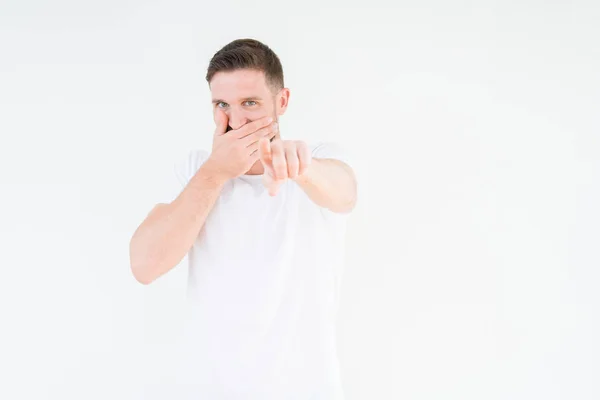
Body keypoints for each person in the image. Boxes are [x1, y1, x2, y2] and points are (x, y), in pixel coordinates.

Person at [129, 38, 358, 399]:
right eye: (222, 105)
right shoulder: (195, 170)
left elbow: (345, 193)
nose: (236, 121)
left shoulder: (318, 160)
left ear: (281, 101)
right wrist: (215, 173)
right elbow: (145, 265)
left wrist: (301, 168)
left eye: (250, 104)